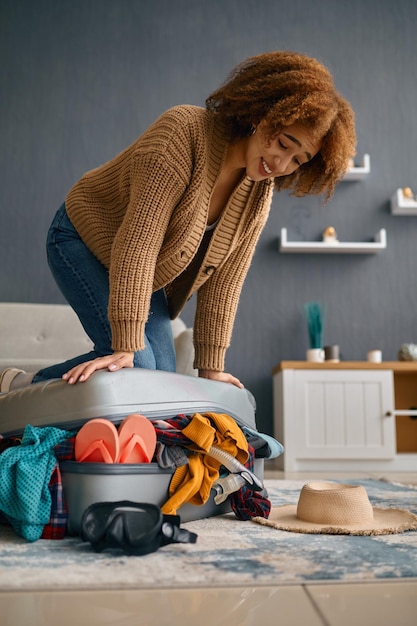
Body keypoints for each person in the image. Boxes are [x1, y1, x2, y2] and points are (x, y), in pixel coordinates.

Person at [0, 51, 356, 393]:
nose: (281, 165)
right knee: (137, 369)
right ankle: (18, 391)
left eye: (298, 160)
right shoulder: (183, 132)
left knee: (161, 384)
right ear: (262, 115)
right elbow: (137, 243)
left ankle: (23, 384)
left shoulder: (258, 194)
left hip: (143, 271)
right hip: (80, 238)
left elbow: (225, 285)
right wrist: (124, 346)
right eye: (283, 143)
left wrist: (211, 368)